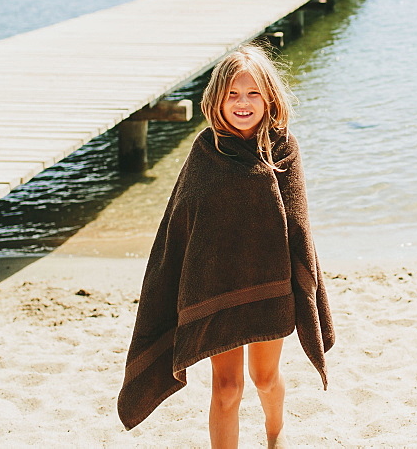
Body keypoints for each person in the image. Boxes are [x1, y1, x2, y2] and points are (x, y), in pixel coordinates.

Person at [117, 44, 334, 448]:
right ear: (217, 98)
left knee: (265, 378)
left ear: (269, 96)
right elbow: (181, 228)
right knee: (227, 387)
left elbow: (298, 225)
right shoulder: (206, 151)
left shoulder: (284, 147)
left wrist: (304, 284)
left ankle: (275, 437)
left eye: (253, 93)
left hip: (272, 284)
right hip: (218, 288)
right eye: (233, 93)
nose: (243, 103)